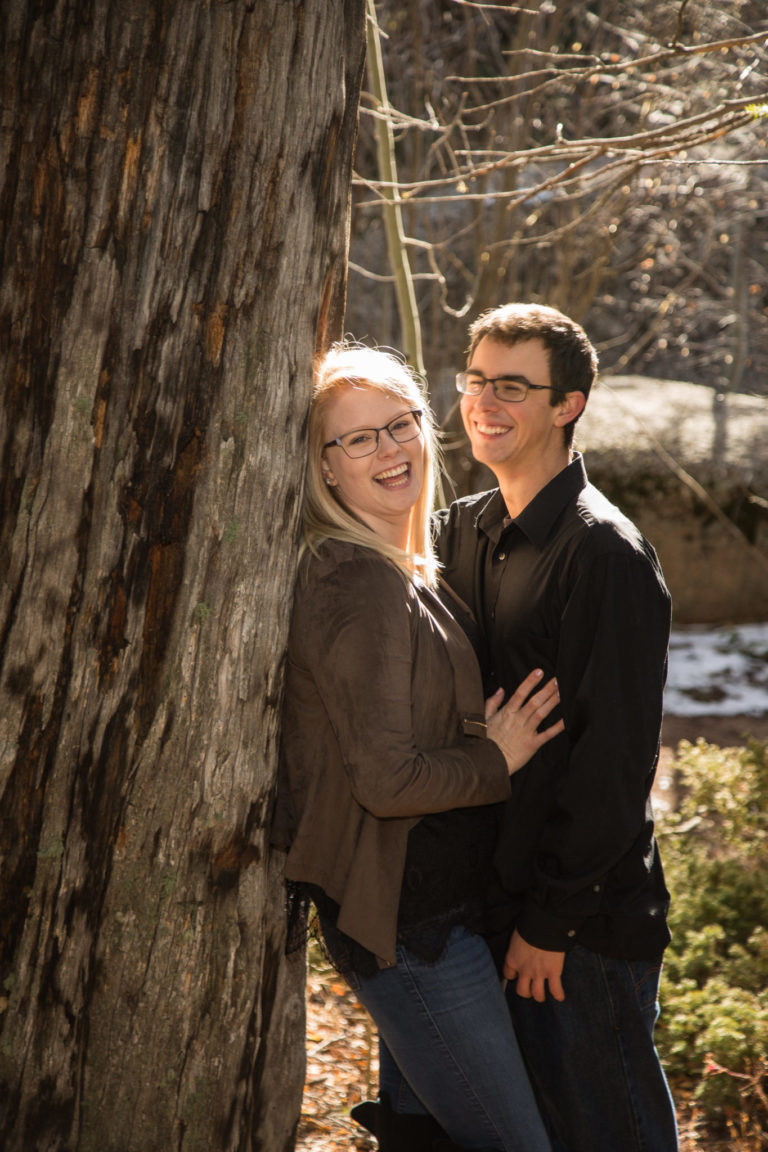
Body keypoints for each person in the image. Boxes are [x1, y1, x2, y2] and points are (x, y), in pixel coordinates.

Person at [273, 342, 562, 1152]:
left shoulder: (402, 563)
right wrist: (497, 759)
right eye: (357, 439)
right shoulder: (354, 581)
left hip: (440, 906)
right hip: (410, 926)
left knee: (423, 1138)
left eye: (400, 425)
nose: (389, 450)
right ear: (324, 468)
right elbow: (387, 780)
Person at [434, 303, 679, 1152]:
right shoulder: (459, 531)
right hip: (487, 912)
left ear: (567, 403)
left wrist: (551, 923)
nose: (483, 403)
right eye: (475, 381)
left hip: (581, 932)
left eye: (511, 386)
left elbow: (614, 765)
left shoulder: (604, 555)